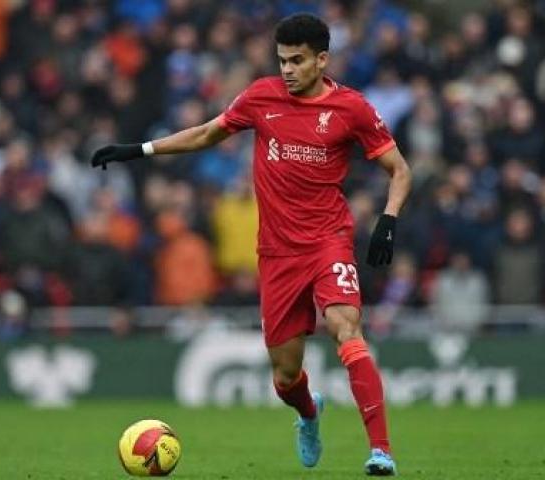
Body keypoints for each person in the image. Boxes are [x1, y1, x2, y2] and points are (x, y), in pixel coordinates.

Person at [90, 13, 411, 476]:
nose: (287, 69)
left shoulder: (352, 109)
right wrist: (138, 150)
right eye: (282, 60)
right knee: (285, 375)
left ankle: (380, 451)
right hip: (278, 254)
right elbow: (205, 133)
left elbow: (399, 170)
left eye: (297, 61)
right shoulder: (262, 96)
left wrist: (388, 220)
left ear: (322, 59)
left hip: (327, 241)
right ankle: (309, 413)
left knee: (347, 329)